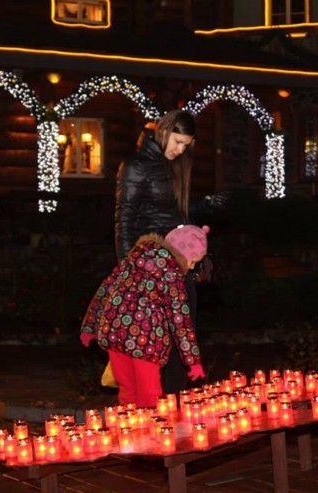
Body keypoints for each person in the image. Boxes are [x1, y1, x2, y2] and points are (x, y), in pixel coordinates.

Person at [113, 109, 198, 395]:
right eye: (177, 141)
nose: (180, 149)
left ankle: (175, 404)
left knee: (182, 335)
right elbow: (124, 218)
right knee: (151, 341)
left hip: (179, 264)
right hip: (148, 268)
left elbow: (173, 214)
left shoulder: (174, 165)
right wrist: (128, 271)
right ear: (164, 131)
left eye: (186, 145)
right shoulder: (136, 165)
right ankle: (151, 408)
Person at [79, 224, 209, 408]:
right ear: (183, 254)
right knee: (149, 395)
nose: (192, 266)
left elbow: (106, 288)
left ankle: (130, 429)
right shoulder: (172, 274)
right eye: (193, 261)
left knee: (127, 390)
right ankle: (151, 431)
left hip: (114, 332)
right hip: (145, 339)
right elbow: (180, 321)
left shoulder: (133, 258)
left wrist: (89, 326)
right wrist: (193, 361)